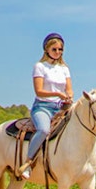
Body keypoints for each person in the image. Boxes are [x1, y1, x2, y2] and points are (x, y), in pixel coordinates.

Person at [18, 33, 73, 180]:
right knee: (43, 130)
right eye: (54, 49)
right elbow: (39, 91)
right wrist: (58, 94)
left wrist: (68, 96)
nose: (58, 52)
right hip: (43, 107)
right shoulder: (40, 67)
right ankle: (28, 163)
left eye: (60, 50)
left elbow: (69, 88)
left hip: (61, 108)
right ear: (46, 49)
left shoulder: (64, 68)